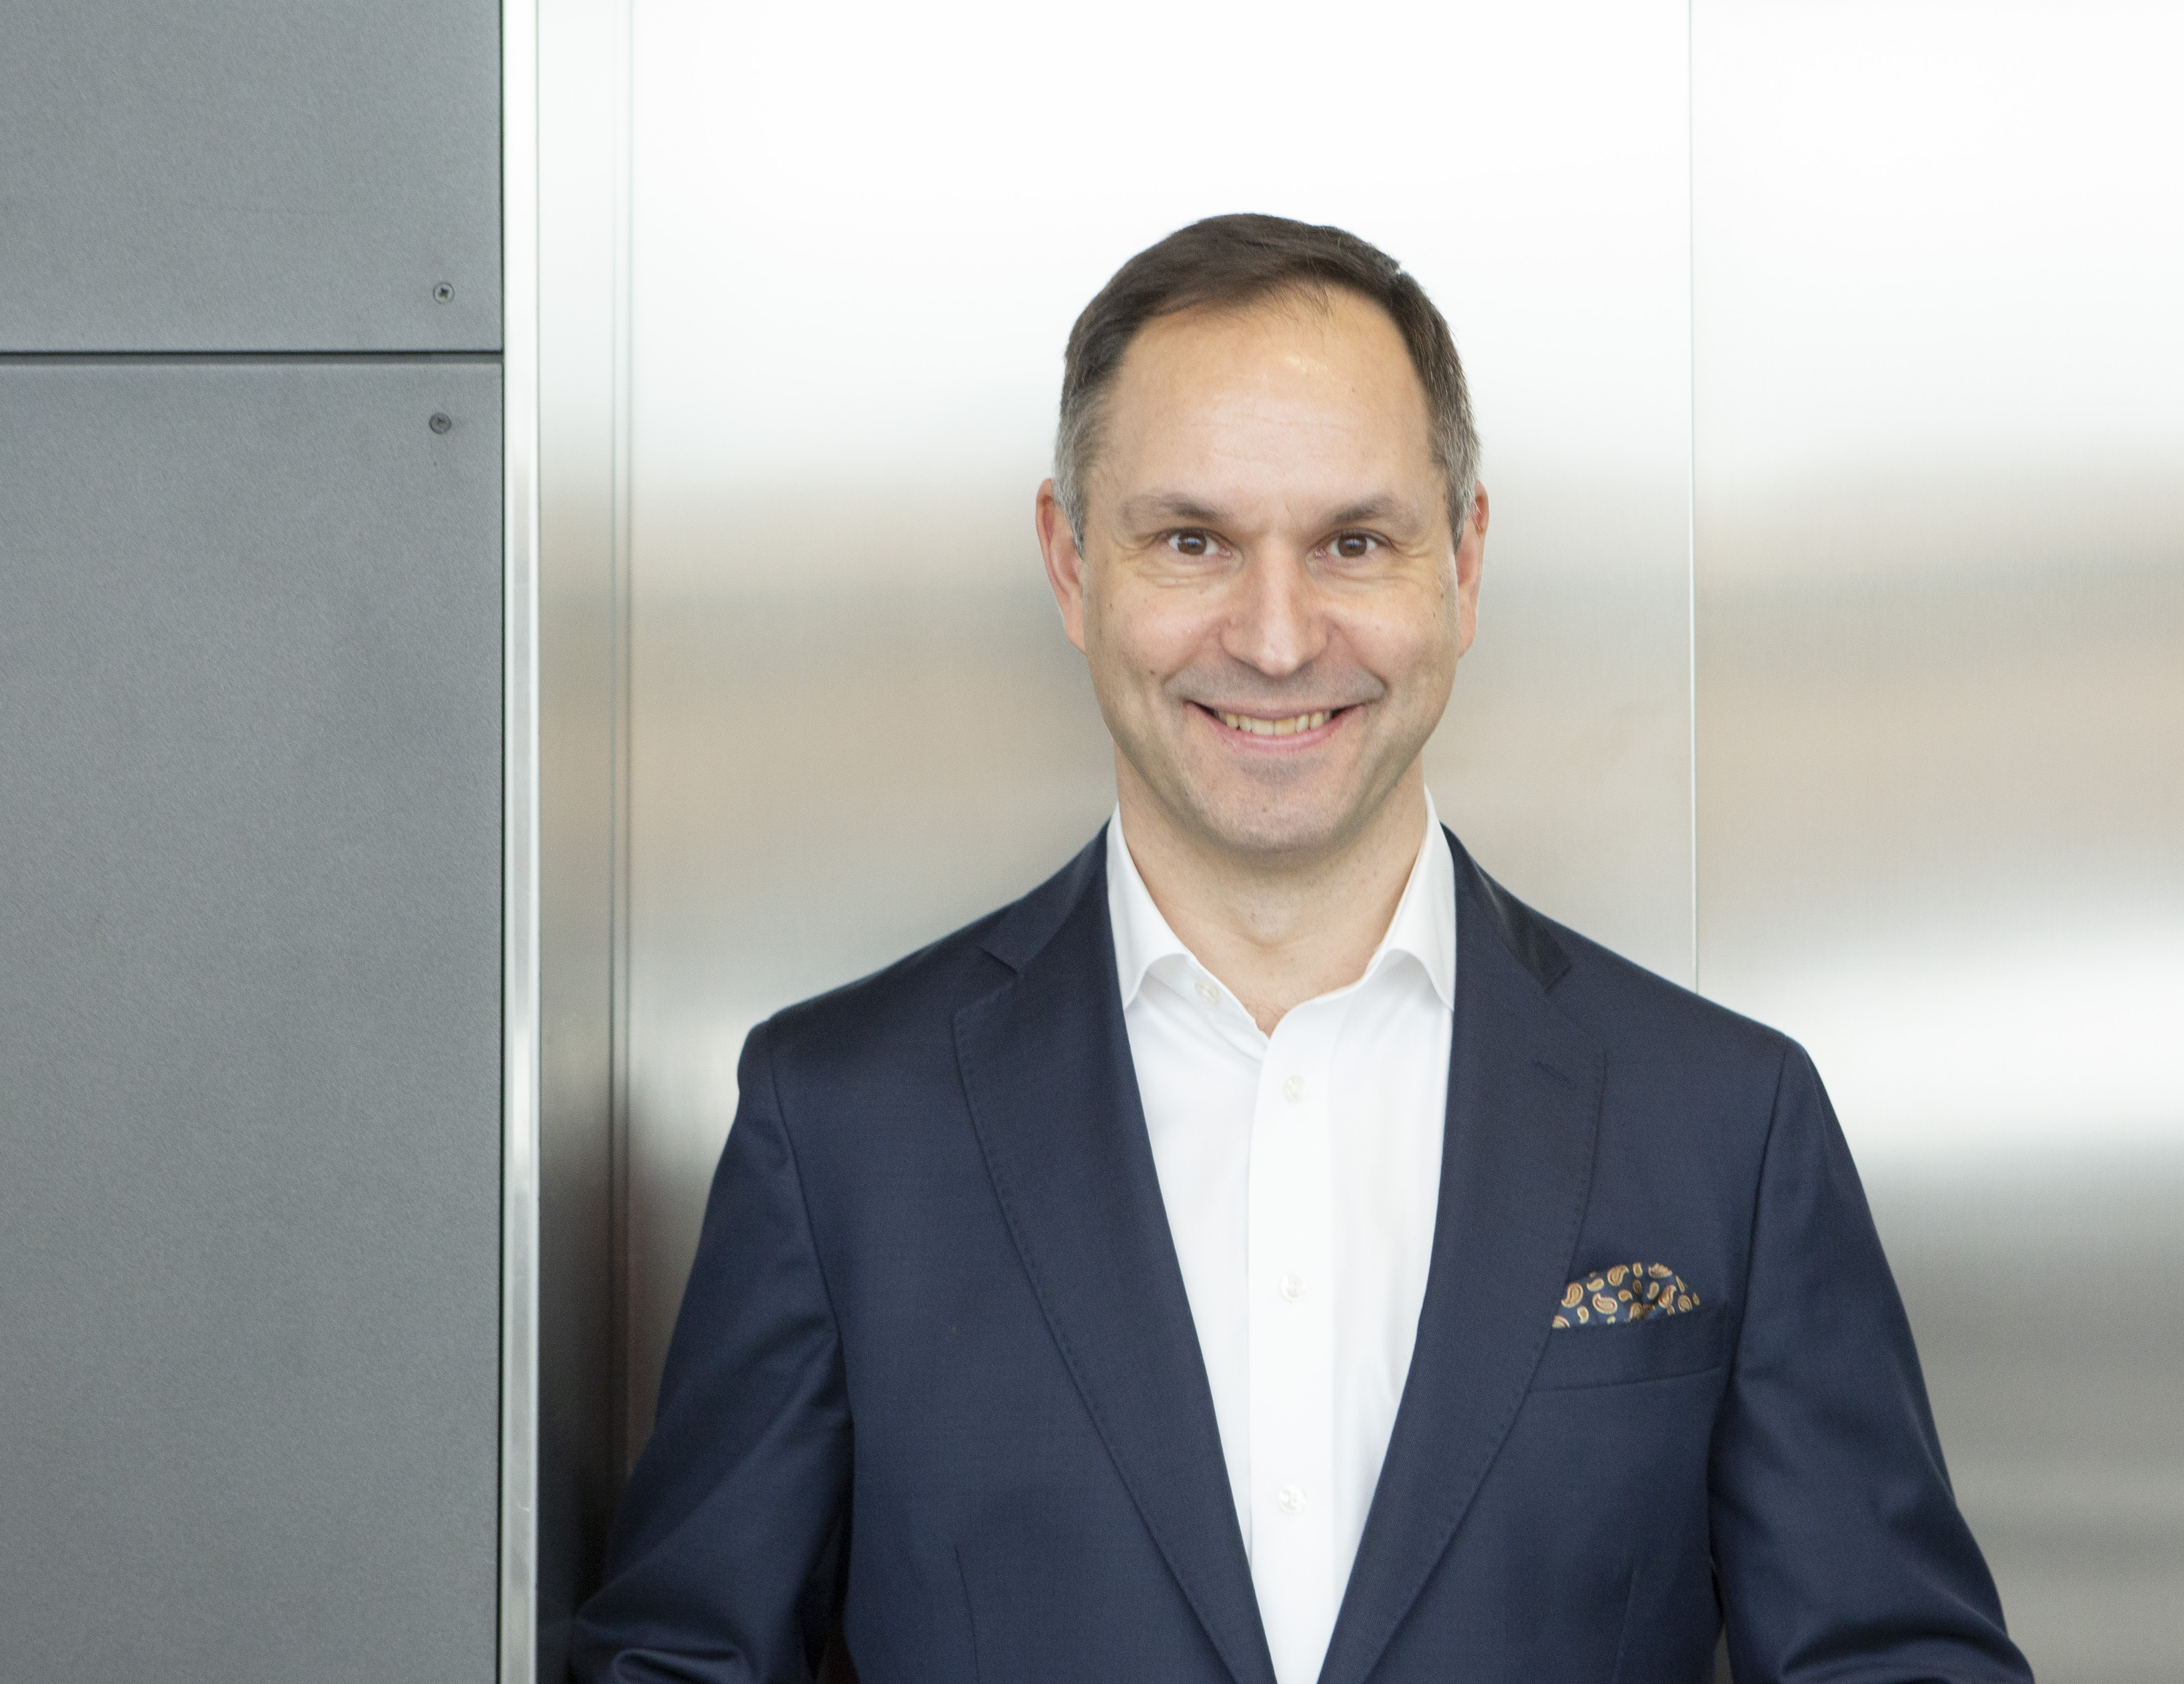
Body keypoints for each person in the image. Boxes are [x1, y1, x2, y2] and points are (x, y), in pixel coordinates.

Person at [571, 214, 2031, 1684]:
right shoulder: (839, 1125)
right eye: (1190, 541)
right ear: (1069, 563)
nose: (1275, 640)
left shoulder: (1725, 1124)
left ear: (1463, 562)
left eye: (1354, 543)